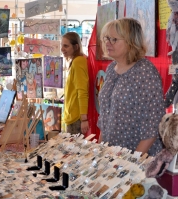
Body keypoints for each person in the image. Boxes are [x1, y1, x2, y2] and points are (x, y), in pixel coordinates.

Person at [97, 18, 165, 156]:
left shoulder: (145, 72)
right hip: (112, 156)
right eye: (106, 38)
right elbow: (105, 117)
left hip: (138, 159)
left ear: (131, 42)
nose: (108, 43)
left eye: (114, 39)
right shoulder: (111, 69)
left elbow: (153, 123)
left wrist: (134, 159)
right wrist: (101, 152)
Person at [61, 32, 89, 134]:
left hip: (77, 118)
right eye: (62, 45)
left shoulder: (78, 61)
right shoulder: (77, 60)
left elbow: (82, 91)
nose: (62, 49)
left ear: (76, 46)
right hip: (73, 117)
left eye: (66, 46)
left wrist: (84, 118)